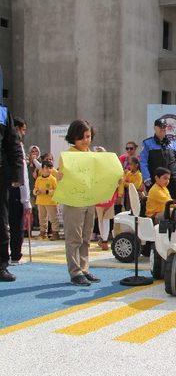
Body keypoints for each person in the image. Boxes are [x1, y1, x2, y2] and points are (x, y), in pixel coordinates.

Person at [57, 120, 101, 286]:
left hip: (89, 199)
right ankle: (75, 272)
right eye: (81, 137)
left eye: (88, 136)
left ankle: (84, 268)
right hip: (73, 200)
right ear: (73, 137)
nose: (85, 140)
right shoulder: (68, 155)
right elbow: (62, 177)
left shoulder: (91, 155)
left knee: (86, 237)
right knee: (74, 238)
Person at [0, 104, 24, 281]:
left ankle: (1, 266)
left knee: (1, 222)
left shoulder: (3, 112)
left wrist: (16, 174)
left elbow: (13, 144)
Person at [140, 118, 176, 199]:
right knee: (157, 205)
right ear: (155, 128)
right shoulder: (147, 143)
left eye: (164, 126)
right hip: (156, 180)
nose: (163, 129)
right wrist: (147, 179)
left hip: (172, 180)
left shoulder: (173, 144)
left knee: (174, 205)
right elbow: (143, 162)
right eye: (160, 127)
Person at [7, 118, 33, 264]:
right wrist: (26, 200)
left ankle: (9, 255)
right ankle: (15, 255)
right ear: (16, 128)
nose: (23, 133)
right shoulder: (17, 146)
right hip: (15, 189)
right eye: (22, 130)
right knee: (16, 224)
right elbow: (23, 175)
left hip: (7, 187)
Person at [33, 161, 60, 241]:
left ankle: (55, 233)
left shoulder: (53, 179)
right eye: (46, 167)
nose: (48, 170)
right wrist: (36, 192)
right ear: (42, 168)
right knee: (42, 218)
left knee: (53, 218)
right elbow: (35, 188)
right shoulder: (39, 179)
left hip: (51, 202)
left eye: (50, 168)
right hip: (40, 201)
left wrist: (47, 192)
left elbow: (57, 191)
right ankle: (42, 233)